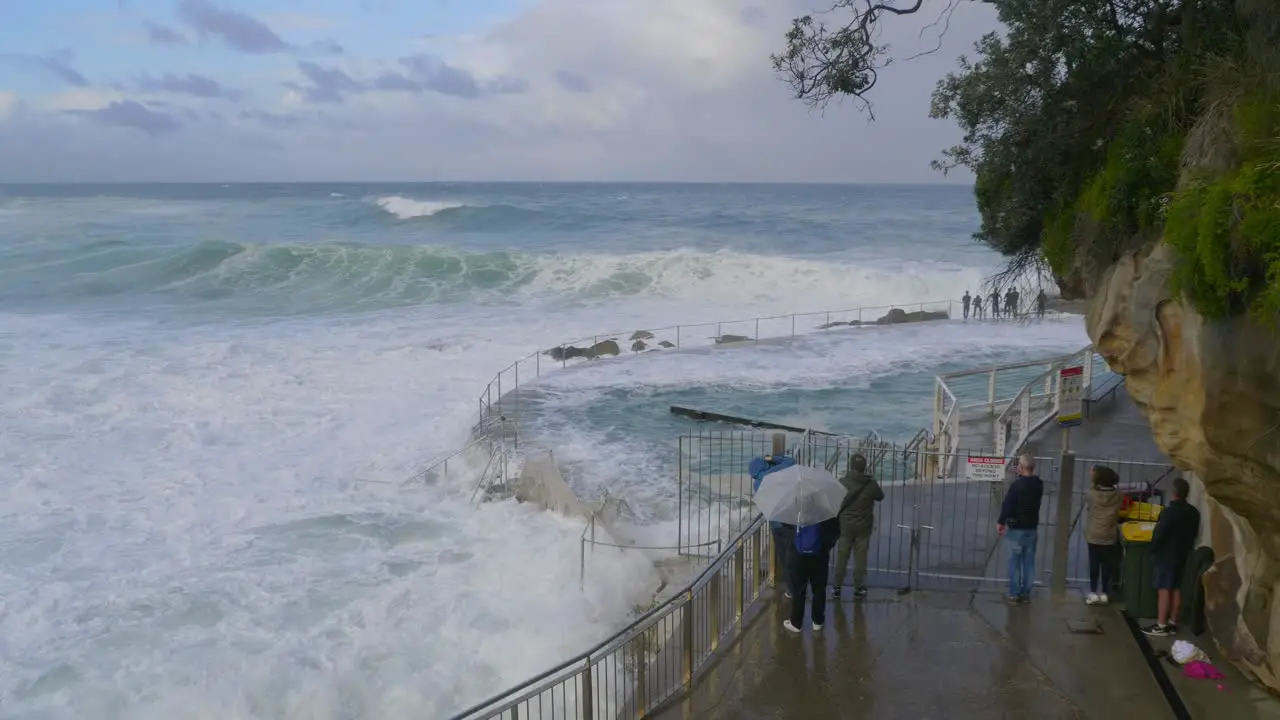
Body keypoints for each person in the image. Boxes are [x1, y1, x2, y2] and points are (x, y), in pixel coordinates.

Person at [1144, 477, 1201, 637]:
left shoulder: (1168, 512)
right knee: (1176, 588)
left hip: (1166, 555)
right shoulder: (1194, 513)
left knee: (1164, 589)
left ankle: (1161, 625)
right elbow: (1194, 534)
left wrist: (1153, 549)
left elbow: (1159, 534)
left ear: (1173, 493)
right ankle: (1173, 623)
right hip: (1184, 554)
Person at [832, 453, 885, 600]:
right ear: (864, 467)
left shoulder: (843, 482)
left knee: (842, 555)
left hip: (845, 525)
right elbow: (881, 497)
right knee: (860, 557)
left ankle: (837, 587)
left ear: (851, 466)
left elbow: (835, 500)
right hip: (864, 525)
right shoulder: (870, 484)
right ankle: (859, 587)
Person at [997, 454, 1044, 603]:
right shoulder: (1038, 484)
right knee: (1029, 562)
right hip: (1032, 528)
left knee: (1014, 562)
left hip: (1016, 528)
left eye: (1018, 465)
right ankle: (1026, 593)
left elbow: (1008, 505)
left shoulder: (1017, 485)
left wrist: (1001, 522)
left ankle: (1014, 593)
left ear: (1022, 467)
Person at [750, 453, 797, 597]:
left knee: (784, 556)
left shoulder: (756, 483)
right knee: (793, 555)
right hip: (788, 520)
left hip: (775, 523)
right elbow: (791, 461)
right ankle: (797, 586)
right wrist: (774, 459)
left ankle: (790, 588)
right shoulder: (774, 474)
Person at [784, 514, 841, 633]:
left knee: (798, 590)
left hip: (798, 555)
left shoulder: (795, 511)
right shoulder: (826, 512)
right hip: (820, 555)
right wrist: (827, 546)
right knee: (819, 589)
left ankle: (796, 622)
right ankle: (818, 621)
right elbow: (835, 532)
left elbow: (786, 527)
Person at [1084, 465, 1123, 605]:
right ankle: (1105, 591)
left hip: (1094, 534)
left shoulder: (1092, 495)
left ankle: (1093, 591)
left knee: (1094, 563)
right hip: (1109, 534)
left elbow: (1088, 501)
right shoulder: (1118, 495)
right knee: (1107, 564)